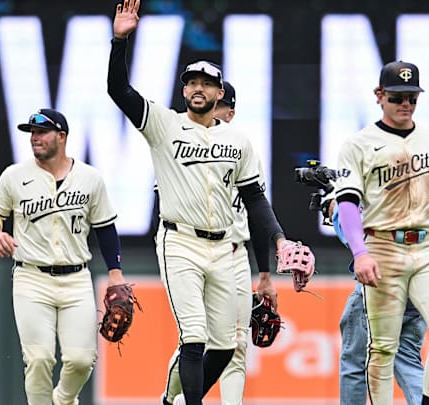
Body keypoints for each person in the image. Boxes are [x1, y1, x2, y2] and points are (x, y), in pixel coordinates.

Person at [109, 2, 299, 404]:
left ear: (218, 93)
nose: (198, 88)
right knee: (192, 336)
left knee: (227, 346)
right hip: (181, 242)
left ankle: (169, 401)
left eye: (206, 83)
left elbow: (255, 199)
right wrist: (120, 42)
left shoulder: (237, 140)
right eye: (191, 82)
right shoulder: (164, 124)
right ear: (184, 91)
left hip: (227, 249)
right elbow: (119, 91)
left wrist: (279, 241)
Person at [334, 61, 429, 405]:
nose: (405, 103)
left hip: (428, 247)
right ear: (379, 96)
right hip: (383, 246)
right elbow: (346, 203)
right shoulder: (359, 143)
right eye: (397, 96)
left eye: (412, 97)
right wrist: (360, 252)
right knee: (383, 348)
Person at [0, 108, 128, 405]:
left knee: (82, 359)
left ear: (62, 136)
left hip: (76, 279)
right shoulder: (15, 175)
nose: (35, 138)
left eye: (42, 132)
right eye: (32, 133)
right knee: (38, 359)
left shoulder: (89, 178)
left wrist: (116, 275)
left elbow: (105, 229)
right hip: (31, 278)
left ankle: (62, 399)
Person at [160, 81, 277, 405]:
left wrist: (264, 274)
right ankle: (171, 398)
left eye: (221, 110)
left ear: (229, 110)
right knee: (195, 338)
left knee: (235, 344)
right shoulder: (182, 153)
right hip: (192, 246)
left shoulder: (240, 150)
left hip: (234, 254)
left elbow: (256, 211)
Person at [328, 199, 426, 405]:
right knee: (409, 363)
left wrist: (335, 210)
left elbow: (357, 238)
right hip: (417, 291)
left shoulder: (381, 185)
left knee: (356, 364)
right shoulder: (428, 193)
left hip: (377, 289)